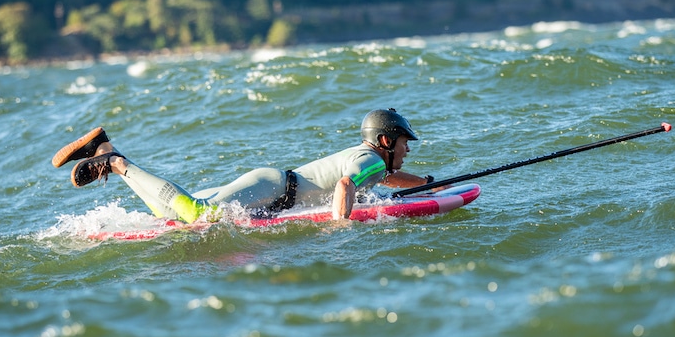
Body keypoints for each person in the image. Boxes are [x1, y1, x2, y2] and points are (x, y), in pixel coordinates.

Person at [51, 109, 437, 223]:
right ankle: (115, 162)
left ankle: (105, 147)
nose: (407, 150)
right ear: (386, 140)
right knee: (196, 215)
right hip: (274, 188)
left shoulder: (370, 160)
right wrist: (340, 226)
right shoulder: (368, 161)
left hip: (274, 189)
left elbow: (388, 177)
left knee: (176, 214)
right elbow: (344, 187)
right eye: (404, 142)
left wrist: (426, 184)